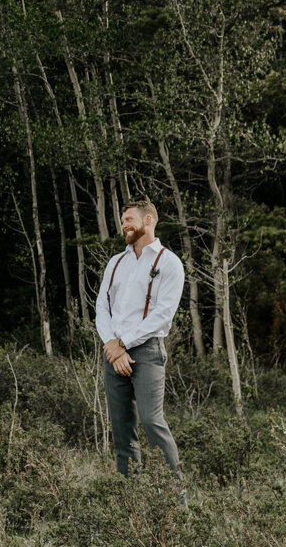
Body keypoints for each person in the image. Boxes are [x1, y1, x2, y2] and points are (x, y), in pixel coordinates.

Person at [94, 200, 185, 481]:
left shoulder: (169, 262)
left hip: (147, 352)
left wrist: (123, 344)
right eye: (123, 220)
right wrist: (112, 344)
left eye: (129, 219)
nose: (124, 225)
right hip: (114, 353)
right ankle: (129, 502)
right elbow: (102, 306)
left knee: (151, 422)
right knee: (122, 430)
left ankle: (177, 501)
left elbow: (162, 315)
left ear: (148, 221)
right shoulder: (116, 262)